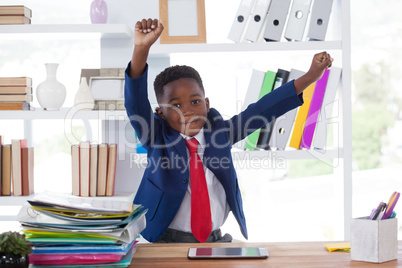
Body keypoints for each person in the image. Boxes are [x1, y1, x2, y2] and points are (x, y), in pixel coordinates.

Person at [124, 18, 333, 243]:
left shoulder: (221, 133)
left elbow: (264, 109)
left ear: (206, 103)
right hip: (165, 243)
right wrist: (141, 49)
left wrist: (311, 76)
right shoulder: (156, 139)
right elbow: (135, 102)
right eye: (176, 105)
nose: (188, 111)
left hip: (216, 241)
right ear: (161, 113)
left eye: (195, 102)